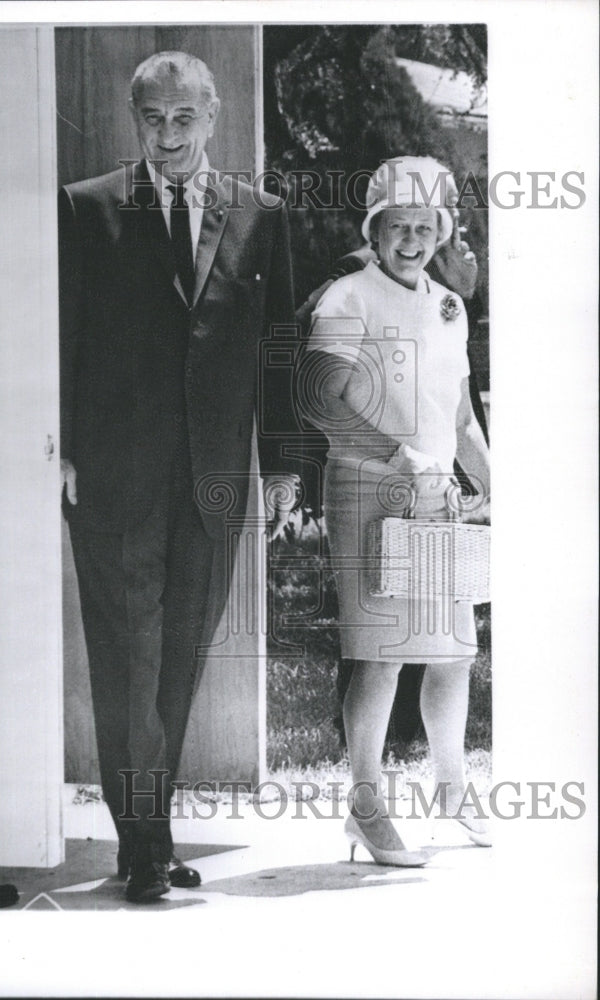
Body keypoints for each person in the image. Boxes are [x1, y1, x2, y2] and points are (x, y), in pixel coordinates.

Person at [58, 51, 298, 902]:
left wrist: (284, 470)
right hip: (114, 478)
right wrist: (62, 450)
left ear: (214, 116)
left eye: (183, 119)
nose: (167, 136)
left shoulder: (261, 215)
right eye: (152, 119)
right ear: (135, 120)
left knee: (179, 658)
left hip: (215, 478)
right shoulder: (86, 209)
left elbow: (277, 350)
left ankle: (145, 832)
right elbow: (63, 334)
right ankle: (147, 846)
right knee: (126, 657)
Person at [301, 156, 491, 866]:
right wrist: (396, 455)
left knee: (451, 656)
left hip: (438, 496)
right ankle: (366, 807)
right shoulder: (346, 299)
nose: (410, 239)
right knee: (379, 660)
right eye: (396, 226)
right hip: (366, 493)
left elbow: (463, 416)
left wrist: (494, 484)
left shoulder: (449, 305)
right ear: (374, 230)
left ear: (439, 233)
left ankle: (453, 792)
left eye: (423, 226)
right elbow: (320, 401)